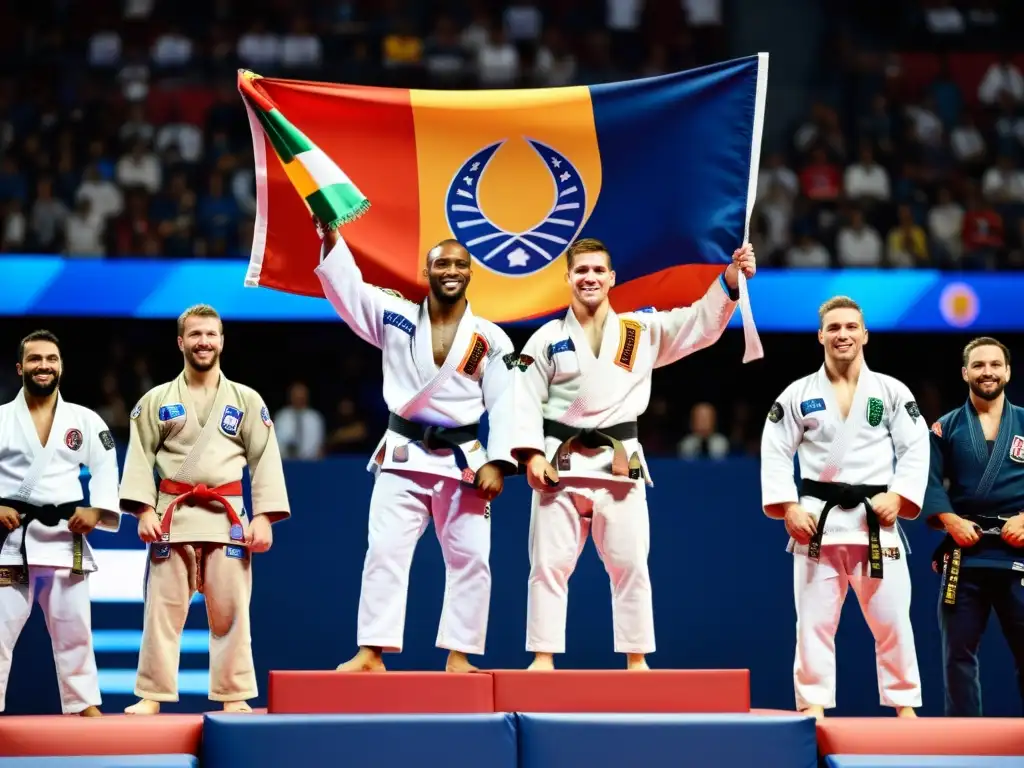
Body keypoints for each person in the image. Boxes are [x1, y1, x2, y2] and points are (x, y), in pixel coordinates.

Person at [508, 236, 756, 671]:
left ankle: (636, 658)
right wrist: (530, 456)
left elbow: (697, 323)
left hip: (619, 466)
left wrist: (730, 280)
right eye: (580, 271)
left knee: (630, 565)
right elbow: (522, 399)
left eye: (597, 270)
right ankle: (543, 656)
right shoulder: (546, 338)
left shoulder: (638, 332)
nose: (589, 278)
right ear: (567, 278)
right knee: (547, 565)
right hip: (559, 467)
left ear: (611, 278)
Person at [315, 222, 518, 674]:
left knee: (472, 558)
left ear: (471, 273)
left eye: (459, 265)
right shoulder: (395, 315)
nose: (451, 270)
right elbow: (350, 291)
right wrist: (331, 239)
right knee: (384, 551)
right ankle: (372, 650)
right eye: (442, 263)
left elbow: (507, 402)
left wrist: (500, 462)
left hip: (463, 459)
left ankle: (460, 654)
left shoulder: (490, 338)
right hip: (403, 453)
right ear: (425, 270)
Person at [760, 295, 929, 720]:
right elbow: (776, 450)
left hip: (875, 519)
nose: (843, 334)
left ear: (865, 335)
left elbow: (915, 447)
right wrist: (787, 506)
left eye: (851, 327)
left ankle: (904, 706)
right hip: (819, 522)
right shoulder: (798, 393)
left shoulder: (891, 390)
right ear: (820, 335)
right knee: (813, 623)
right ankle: (813, 706)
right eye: (834, 328)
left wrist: (900, 495)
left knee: (893, 620)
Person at [119, 304, 290, 714]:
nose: (204, 342)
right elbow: (140, 457)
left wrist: (264, 516)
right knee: (161, 612)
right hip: (171, 520)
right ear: (181, 342)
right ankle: (152, 695)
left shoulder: (246, 400)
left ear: (222, 341)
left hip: (226, 518)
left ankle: (233, 694)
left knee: (232, 613)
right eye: (195, 335)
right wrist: (143, 510)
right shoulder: (155, 400)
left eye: (211, 334)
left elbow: (265, 457)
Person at [0, 330, 121, 717]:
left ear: (61, 367)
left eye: (51, 359)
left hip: (64, 540)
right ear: (20, 367)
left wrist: (97, 510)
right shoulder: (2, 419)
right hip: (12, 540)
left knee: (75, 631)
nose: (43, 365)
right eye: (35, 359)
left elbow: (104, 465)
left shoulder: (83, 419)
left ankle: (84, 706)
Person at [923, 336, 1024, 717]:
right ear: (965, 372)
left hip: (1019, 554)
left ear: (1008, 371)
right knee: (957, 655)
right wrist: (951, 521)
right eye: (979, 365)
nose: (987, 372)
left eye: (995, 365)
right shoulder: (944, 427)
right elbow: (928, 483)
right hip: (965, 556)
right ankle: (965, 740)